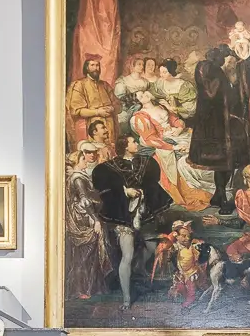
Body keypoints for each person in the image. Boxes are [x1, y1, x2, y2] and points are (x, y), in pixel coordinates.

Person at [92, 135, 175, 308]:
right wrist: (124, 190)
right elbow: (106, 188)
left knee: (153, 248)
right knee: (127, 256)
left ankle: (139, 268)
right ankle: (127, 298)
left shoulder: (146, 163)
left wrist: (141, 192)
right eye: (133, 142)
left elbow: (152, 184)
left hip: (145, 213)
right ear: (125, 146)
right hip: (124, 215)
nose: (137, 144)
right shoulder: (109, 167)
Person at [191, 43, 250, 214]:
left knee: (231, 163)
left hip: (235, 126)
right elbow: (211, 94)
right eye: (229, 61)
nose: (232, 65)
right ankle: (221, 195)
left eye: (234, 62)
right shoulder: (214, 75)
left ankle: (220, 195)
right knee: (222, 163)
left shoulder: (238, 77)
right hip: (218, 127)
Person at [130, 89, 213, 211]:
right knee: (181, 154)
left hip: (178, 134)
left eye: (144, 92)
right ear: (138, 101)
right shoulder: (140, 117)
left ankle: (211, 178)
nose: (144, 95)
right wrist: (173, 147)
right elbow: (150, 139)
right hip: (163, 142)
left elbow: (176, 120)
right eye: (141, 96)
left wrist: (179, 128)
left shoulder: (161, 106)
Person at [65, 142, 109, 299]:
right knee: (84, 257)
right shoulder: (78, 179)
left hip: (82, 217)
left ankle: (92, 287)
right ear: (78, 162)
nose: (86, 161)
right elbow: (85, 201)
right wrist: (95, 220)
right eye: (83, 159)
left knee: (88, 256)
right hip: (83, 220)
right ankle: (80, 290)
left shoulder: (79, 177)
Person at [66, 55, 117, 146]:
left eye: (97, 65)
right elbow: (77, 111)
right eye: (92, 65)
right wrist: (97, 112)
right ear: (86, 67)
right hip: (91, 125)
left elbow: (117, 104)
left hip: (109, 125)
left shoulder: (105, 85)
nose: (96, 68)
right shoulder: (79, 85)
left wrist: (112, 108)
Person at [114, 56, 153, 134]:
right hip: (128, 106)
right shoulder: (124, 81)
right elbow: (119, 99)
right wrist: (135, 96)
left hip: (144, 106)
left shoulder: (145, 82)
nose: (142, 67)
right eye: (139, 64)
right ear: (132, 65)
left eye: (143, 64)